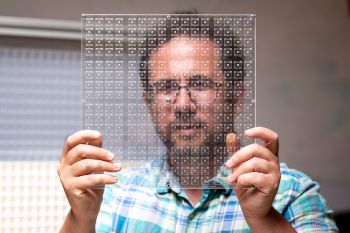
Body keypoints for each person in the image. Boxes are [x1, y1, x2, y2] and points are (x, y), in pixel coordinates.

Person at [58, 16, 338, 233]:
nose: (182, 105)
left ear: (236, 97)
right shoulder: (114, 195)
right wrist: (79, 219)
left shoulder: (292, 192)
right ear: (148, 103)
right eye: (167, 87)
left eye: (201, 84)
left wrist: (264, 218)